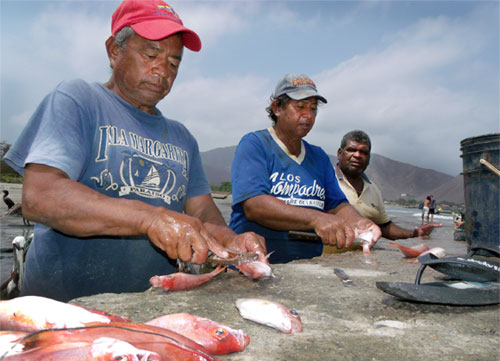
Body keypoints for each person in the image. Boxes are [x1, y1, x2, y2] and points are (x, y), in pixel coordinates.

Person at [3, 0, 265, 302]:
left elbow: (203, 214)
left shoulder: (182, 137)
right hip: (65, 306)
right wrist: (151, 218)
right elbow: (41, 197)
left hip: (150, 305)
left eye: (173, 63)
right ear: (114, 51)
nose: (162, 70)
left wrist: (235, 241)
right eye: (151, 54)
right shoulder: (78, 99)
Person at [229, 74, 381, 263]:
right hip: (255, 263)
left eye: (314, 109)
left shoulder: (319, 156)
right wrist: (316, 219)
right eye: (300, 107)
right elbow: (254, 205)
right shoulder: (255, 144)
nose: (308, 115)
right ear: (277, 107)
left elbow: (336, 204)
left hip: (306, 267)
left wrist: (359, 222)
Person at [335, 130, 442, 240]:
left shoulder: (373, 189)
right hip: (327, 256)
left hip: (362, 255)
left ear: (369, 158)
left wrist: (414, 233)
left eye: (364, 152)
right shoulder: (327, 180)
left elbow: (385, 227)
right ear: (339, 153)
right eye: (351, 150)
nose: (357, 155)